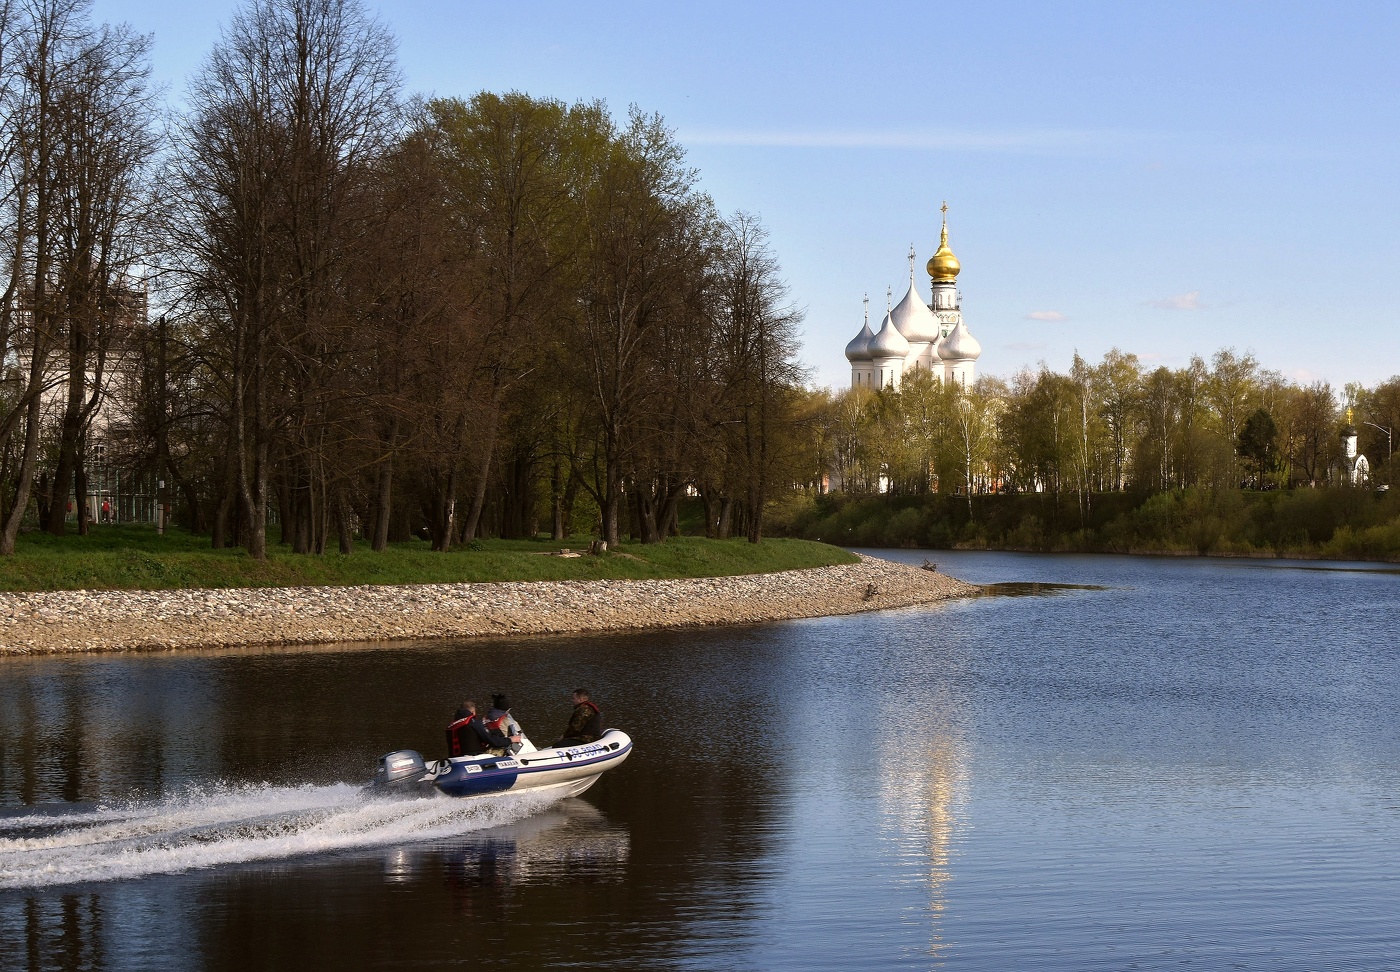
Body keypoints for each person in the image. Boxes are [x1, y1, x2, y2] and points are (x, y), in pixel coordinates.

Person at [445, 700, 510, 757]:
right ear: (473, 712)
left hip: (454, 759)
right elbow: (492, 741)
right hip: (473, 757)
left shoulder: (451, 725)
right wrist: (510, 740)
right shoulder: (473, 722)